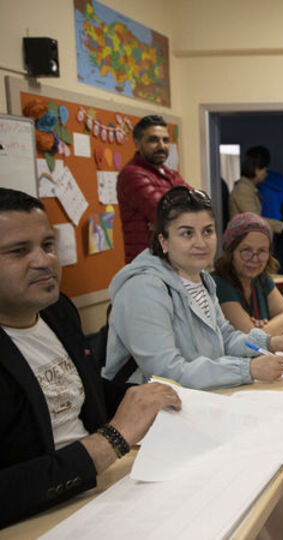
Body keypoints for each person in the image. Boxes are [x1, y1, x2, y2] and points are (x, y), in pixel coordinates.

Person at [0, 187, 181, 527]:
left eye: (48, 245)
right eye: (19, 251)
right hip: (43, 516)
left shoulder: (57, 311)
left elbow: (81, 388)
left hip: (105, 484)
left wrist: (148, 398)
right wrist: (112, 439)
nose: (44, 261)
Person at [104, 187, 283, 390]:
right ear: (163, 241)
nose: (201, 243)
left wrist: (270, 343)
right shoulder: (143, 288)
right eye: (187, 233)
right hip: (155, 405)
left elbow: (226, 337)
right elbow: (166, 373)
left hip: (201, 396)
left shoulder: (200, 278)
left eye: (207, 231)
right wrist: (248, 369)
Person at [212, 212, 283, 334]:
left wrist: (271, 326)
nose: (255, 259)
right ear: (230, 252)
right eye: (246, 251)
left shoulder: (262, 279)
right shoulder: (218, 284)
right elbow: (251, 338)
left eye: (262, 251)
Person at [117, 115, 187, 263]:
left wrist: (163, 224)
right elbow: (168, 216)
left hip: (172, 261)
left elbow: (201, 207)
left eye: (165, 140)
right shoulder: (132, 174)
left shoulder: (171, 174)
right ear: (137, 143)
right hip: (147, 265)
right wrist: (169, 219)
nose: (161, 146)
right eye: (153, 140)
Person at [228, 146, 283, 236]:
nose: (266, 174)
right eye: (265, 170)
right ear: (256, 170)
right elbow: (255, 219)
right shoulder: (243, 189)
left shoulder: (251, 189)